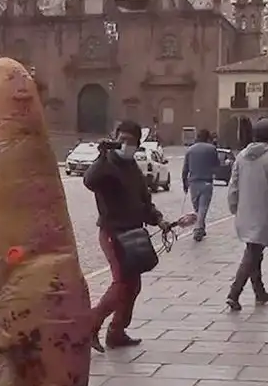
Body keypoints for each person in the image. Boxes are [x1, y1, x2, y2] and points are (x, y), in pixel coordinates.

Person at [84, 119, 170, 352]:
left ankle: (117, 332)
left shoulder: (133, 168)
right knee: (122, 284)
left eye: (130, 141)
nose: (125, 145)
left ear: (138, 144)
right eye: (121, 140)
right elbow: (90, 181)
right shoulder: (107, 165)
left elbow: (144, 202)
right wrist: (102, 155)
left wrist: (159, 219)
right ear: (114, 139)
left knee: (132, 286)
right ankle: (91, 324)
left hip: (133, 233)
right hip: (113, 233)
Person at [226, 118, 268, 311]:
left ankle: (259, 291)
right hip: (264, 212)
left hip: (244, 211)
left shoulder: (241, 156)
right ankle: (234, 293)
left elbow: (233, 185)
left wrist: (233, 206)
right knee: (253, 253)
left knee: (255, 251)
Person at [182, 128, 220, 241]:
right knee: (203, 208)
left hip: (193, 183)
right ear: (208, 138)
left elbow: (185, 169)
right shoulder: (212, 149)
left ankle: (201, 228)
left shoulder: (190, 150)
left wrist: (185, 183)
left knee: (197, 208)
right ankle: (198, 229)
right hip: (207, 182)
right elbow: (217, 164)